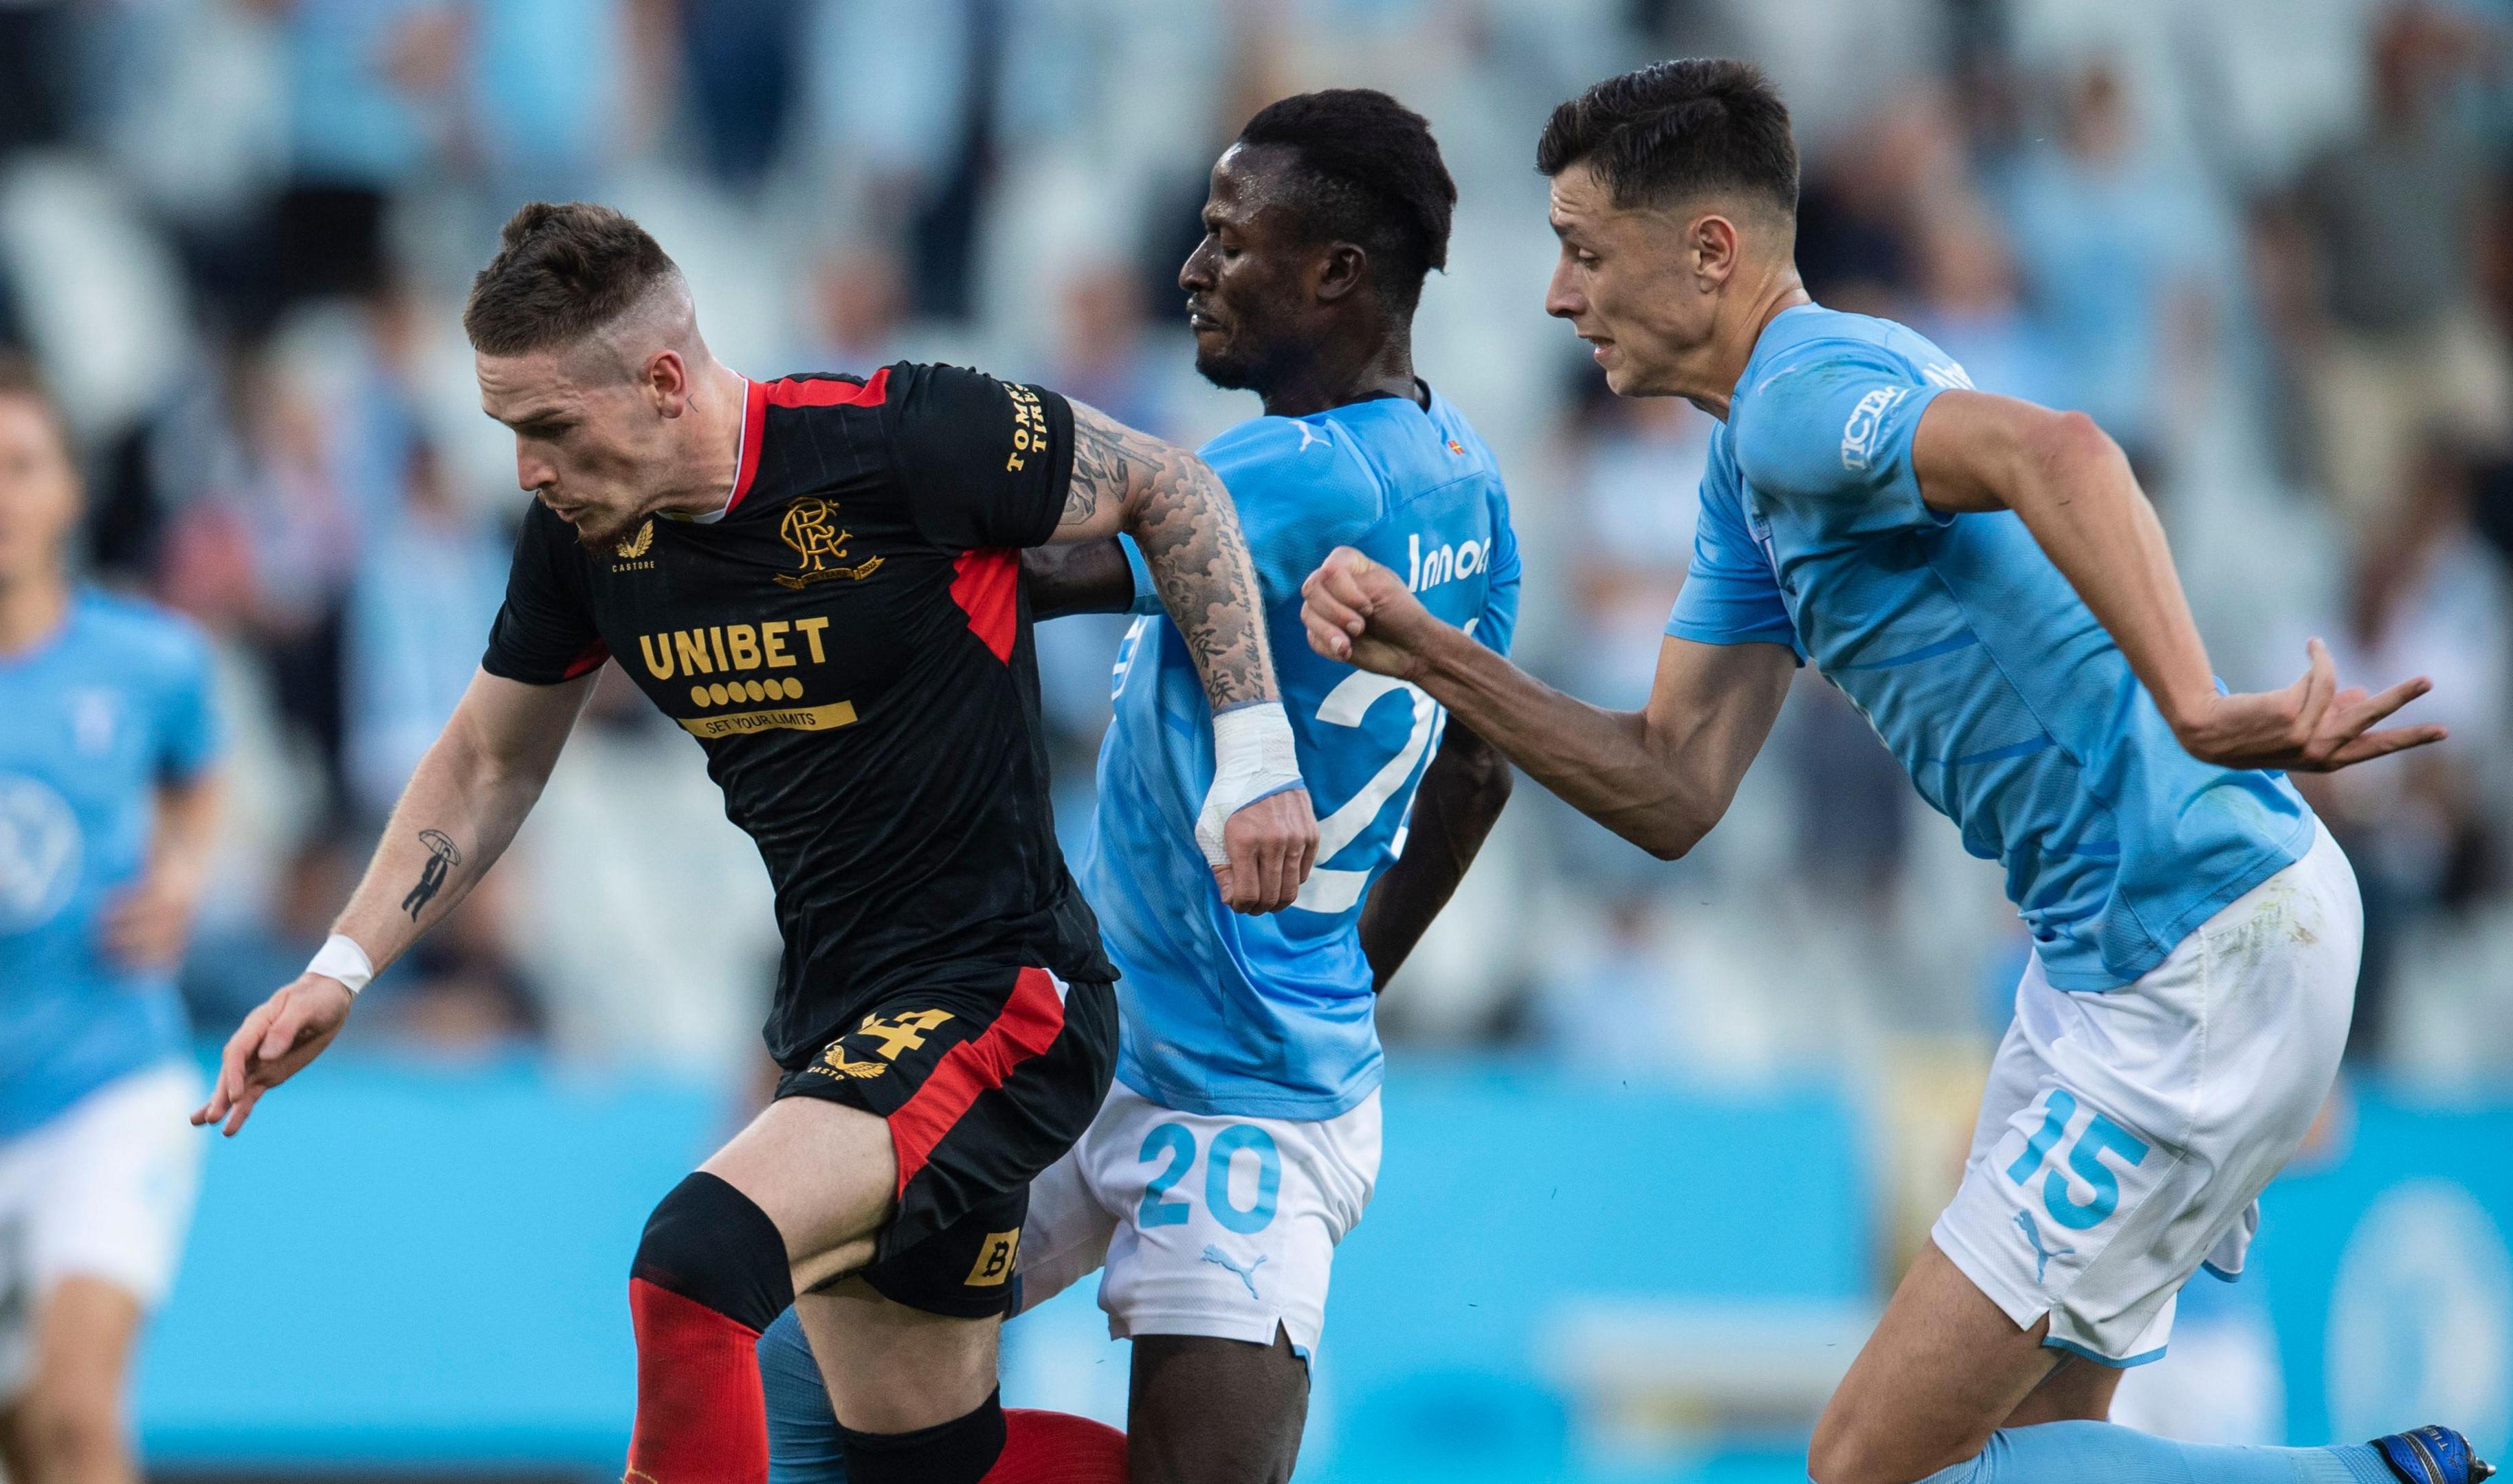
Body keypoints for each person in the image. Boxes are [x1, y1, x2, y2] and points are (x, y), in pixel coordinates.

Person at [1300, 60, 2490, 1484]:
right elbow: (1673, 786)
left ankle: (2368, 1479)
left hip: (2196, 940)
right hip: (2120, 956)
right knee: (2039, 1451)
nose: (1559, 298)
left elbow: (2064, 447)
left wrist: (2197, 701)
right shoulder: (1756, 467)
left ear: (1710, 253)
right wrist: (1432, 653)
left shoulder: (1805, 398)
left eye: (1583, 252)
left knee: (1868, 1466)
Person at [192, 201, 1316, 1484]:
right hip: (837, 1017)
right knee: (920, 1467)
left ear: (664, 381)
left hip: (1002, 996)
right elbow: (493, 756)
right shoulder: (581, 539)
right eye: (511, 434)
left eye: (549, 427)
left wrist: (1261, 753)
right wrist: (342, 967)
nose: (527, 471)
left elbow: (1173, 489)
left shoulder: (905, 439)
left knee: (692, 1264)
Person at [757, 89, 1520, 1484]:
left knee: (807, 1383)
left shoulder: (1288, 473)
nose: (1192, 269)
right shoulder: (1469, 480)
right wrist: (1342, 975)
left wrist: (781, 522)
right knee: (823, 1364)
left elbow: (1030, 571)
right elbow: (1477, 770)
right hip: (1154, 1062)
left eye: (1228, 238)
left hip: (1230, 1117)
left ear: (1337, 271)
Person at [0, 351, 225, 1484]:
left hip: (104, 1085)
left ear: (66, 491)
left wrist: (178, 875)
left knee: (79, 1415)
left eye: (20, 467)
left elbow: (199, 778)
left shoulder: (149, 659)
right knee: (30, 1451)